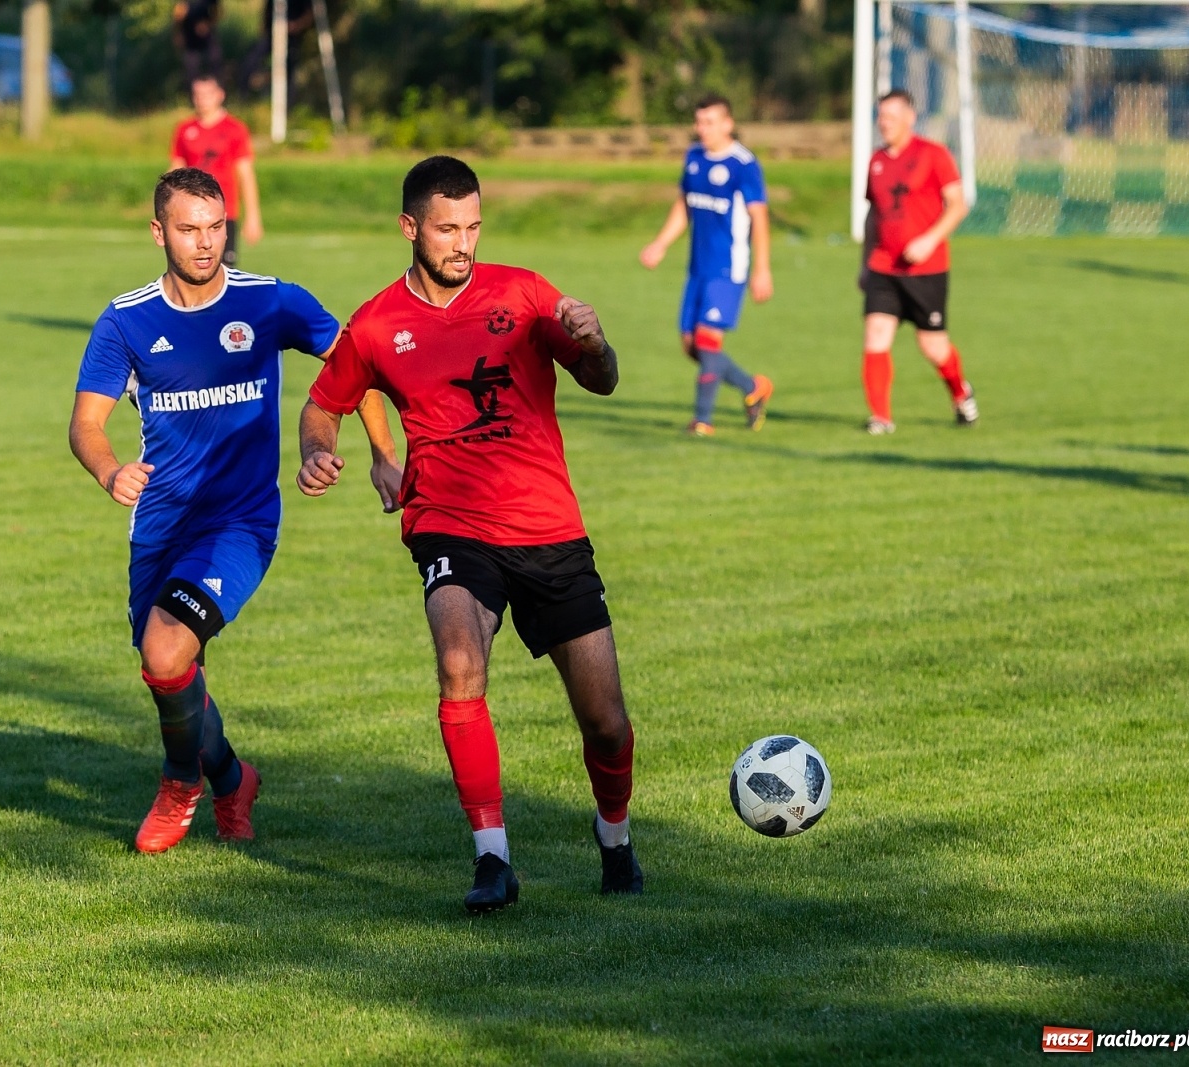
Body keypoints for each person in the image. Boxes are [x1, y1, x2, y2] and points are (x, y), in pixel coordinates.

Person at [296, 156, 642, 914]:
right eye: (447, 228)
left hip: (548, 525)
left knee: (607, 723)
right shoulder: (377, 323)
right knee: (459, 664)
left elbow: (602, 379)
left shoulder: (524, 294)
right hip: (448, 521)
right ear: (410, 228)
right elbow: (323, 403)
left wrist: (593, 342)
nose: (463, 243)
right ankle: (493, 858)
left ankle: (614, 834)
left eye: (474, 227)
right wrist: (317, 451)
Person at [69, 168, 399, 855]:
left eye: (216, 227)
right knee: (173, 675)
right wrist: (110, 470)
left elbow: (357, 365)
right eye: (189, 229)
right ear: (159, 232)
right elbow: (86, 424)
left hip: (240, 523)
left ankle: (178, 784)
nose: (205, 242)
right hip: (160, 524)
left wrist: (380, 455)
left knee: (166, 650)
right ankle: (232, 779)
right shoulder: (126, 319)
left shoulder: (269, 301)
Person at [639, 94, 774, 437]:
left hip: (728, 268)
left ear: (728, 124)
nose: (703, 128)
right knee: (691, 346)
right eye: (699, 122)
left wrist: (762, 269)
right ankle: (753, 386)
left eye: (710, 122)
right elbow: (684, 205)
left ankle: (703, 420)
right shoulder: (694, 157)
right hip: (698, 268)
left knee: (708, 341)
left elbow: (759, 217)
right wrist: (660, 244)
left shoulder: (743, 164)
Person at [860, 88, 977, 434]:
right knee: (876, 334)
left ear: (910, 118)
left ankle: (960, 392)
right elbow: (873, 216)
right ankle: (881, 417)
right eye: (881, 117)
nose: (884, 123)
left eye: (891, 117)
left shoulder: (933, 154)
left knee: (933, 347)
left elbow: (957, 205)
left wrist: (929, 239)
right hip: (884, 267)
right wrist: (864, 263)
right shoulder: (876, 161)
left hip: (926, 270)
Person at [169, 75, 262, 268]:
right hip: (192, 212)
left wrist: (252, 216)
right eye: (197, 94)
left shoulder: (235, 129)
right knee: (191, 269)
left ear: (220, 95)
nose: (202, 99)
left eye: (207, 94)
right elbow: (176, 170)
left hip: (223, 211)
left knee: (223, 270)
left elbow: (245, 174)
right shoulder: (185, 129)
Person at [172, 0, 222, 86]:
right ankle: (193, 89)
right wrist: (178, 34)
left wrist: (208, 24)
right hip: (190, 37)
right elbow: (178, 17)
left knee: (215, 59)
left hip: (207, 36)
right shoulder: (186, 3)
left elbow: (217, 11)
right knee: (192, 66)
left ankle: (215, 86)